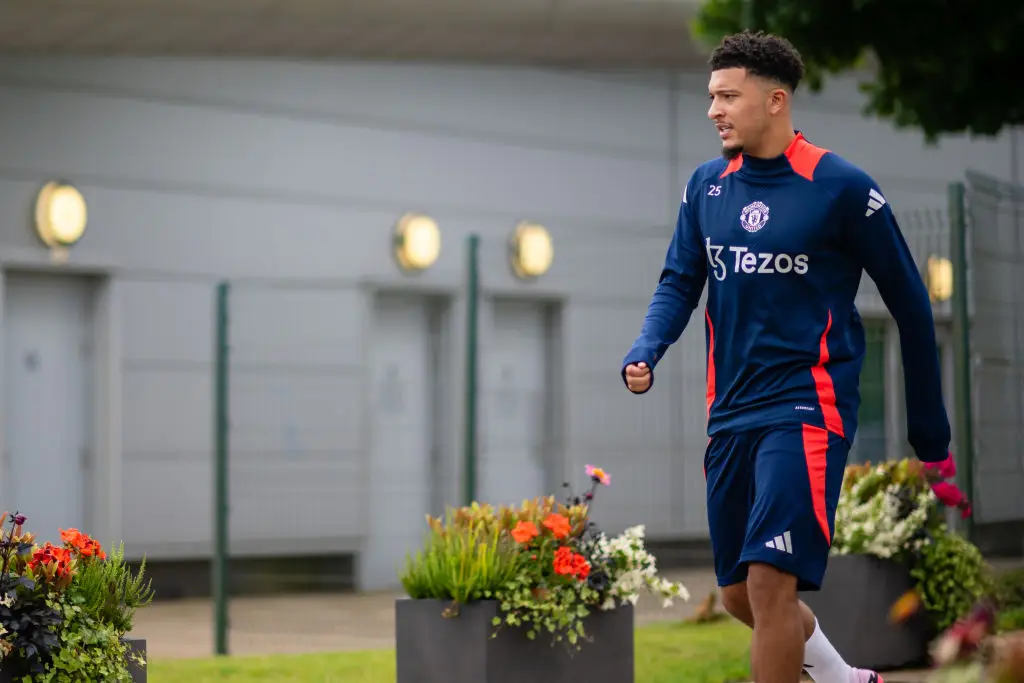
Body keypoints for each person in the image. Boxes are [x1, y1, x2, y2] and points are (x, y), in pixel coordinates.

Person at [621, 30, 972, 683]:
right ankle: (849, 679)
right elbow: (678, 282)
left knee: (770, 584)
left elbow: (912, 306)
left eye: (728, 95)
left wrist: (931, 437)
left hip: (806, 411)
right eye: (710, 96)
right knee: (737, 595)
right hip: (729, 415)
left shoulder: (841, 188)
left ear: (775, 99)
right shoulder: (706, 188)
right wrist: (648, 347)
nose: (713, 110)